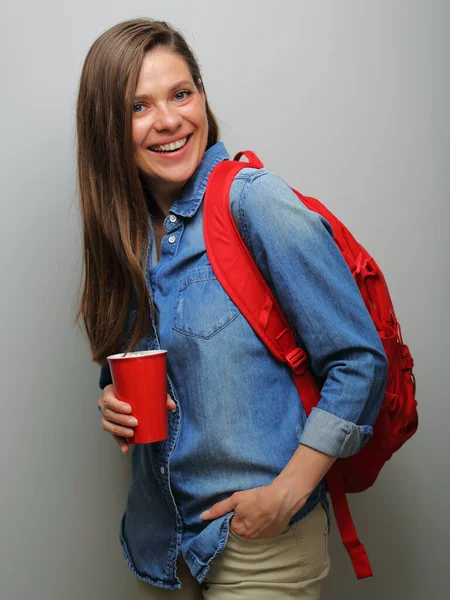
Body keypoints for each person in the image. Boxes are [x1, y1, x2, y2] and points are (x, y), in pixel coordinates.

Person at [76, 17, 388, 600]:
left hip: (257, 549)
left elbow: (359, 360)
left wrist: (286, 495)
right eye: (138, 107)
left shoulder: (254, 201)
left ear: (203, 97)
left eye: (181, 93)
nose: (169, 120)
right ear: (107, 129)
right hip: (164, 551)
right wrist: (113, 400)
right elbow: (139, 369)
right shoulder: (129, 237)